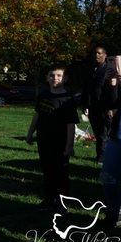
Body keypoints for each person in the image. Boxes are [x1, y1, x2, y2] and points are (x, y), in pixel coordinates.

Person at [26, 65, 79, 211]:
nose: (55, 78)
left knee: (60, 172)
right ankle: (49, 199)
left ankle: (61, 202)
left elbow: (71, 124)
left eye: (58, 75)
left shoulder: (67, 98)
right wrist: (30, 133)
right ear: (46, 78)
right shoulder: (43, 94)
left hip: (60, 141)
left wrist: (69, 145)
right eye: (51, 75)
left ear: (65, 78)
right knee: (47, 169)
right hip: (44, 139)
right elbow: (37, 115)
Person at [100, 56, 121, 228]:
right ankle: (114, 211)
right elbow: (110, 103)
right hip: (117, 137)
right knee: (108, 178)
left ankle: (119, 213)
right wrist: (114, 86)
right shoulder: (120, 72)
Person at [82, 46, 114, 163]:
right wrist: (85, 104)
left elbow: (112, 90)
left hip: (105, 107)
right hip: (93, 106)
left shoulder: (110, 69)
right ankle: (101, 156)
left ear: (105, 55)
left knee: (104, 133)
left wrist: (111, 107)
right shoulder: (91, 70)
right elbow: (87, 89)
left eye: (99, 53)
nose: (96, 55)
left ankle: (102, 158)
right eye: (95, 53)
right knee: (98, 132)